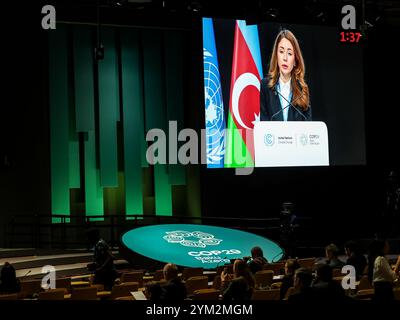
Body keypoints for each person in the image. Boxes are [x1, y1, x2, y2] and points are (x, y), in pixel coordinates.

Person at [260, 29, 311, 122]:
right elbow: (263, 124)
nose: (285, 58)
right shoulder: (265, 86)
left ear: (295, 60)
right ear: (276, 55)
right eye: (281, 51)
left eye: (290, 53)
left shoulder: (302, 90)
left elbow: (308, 127)